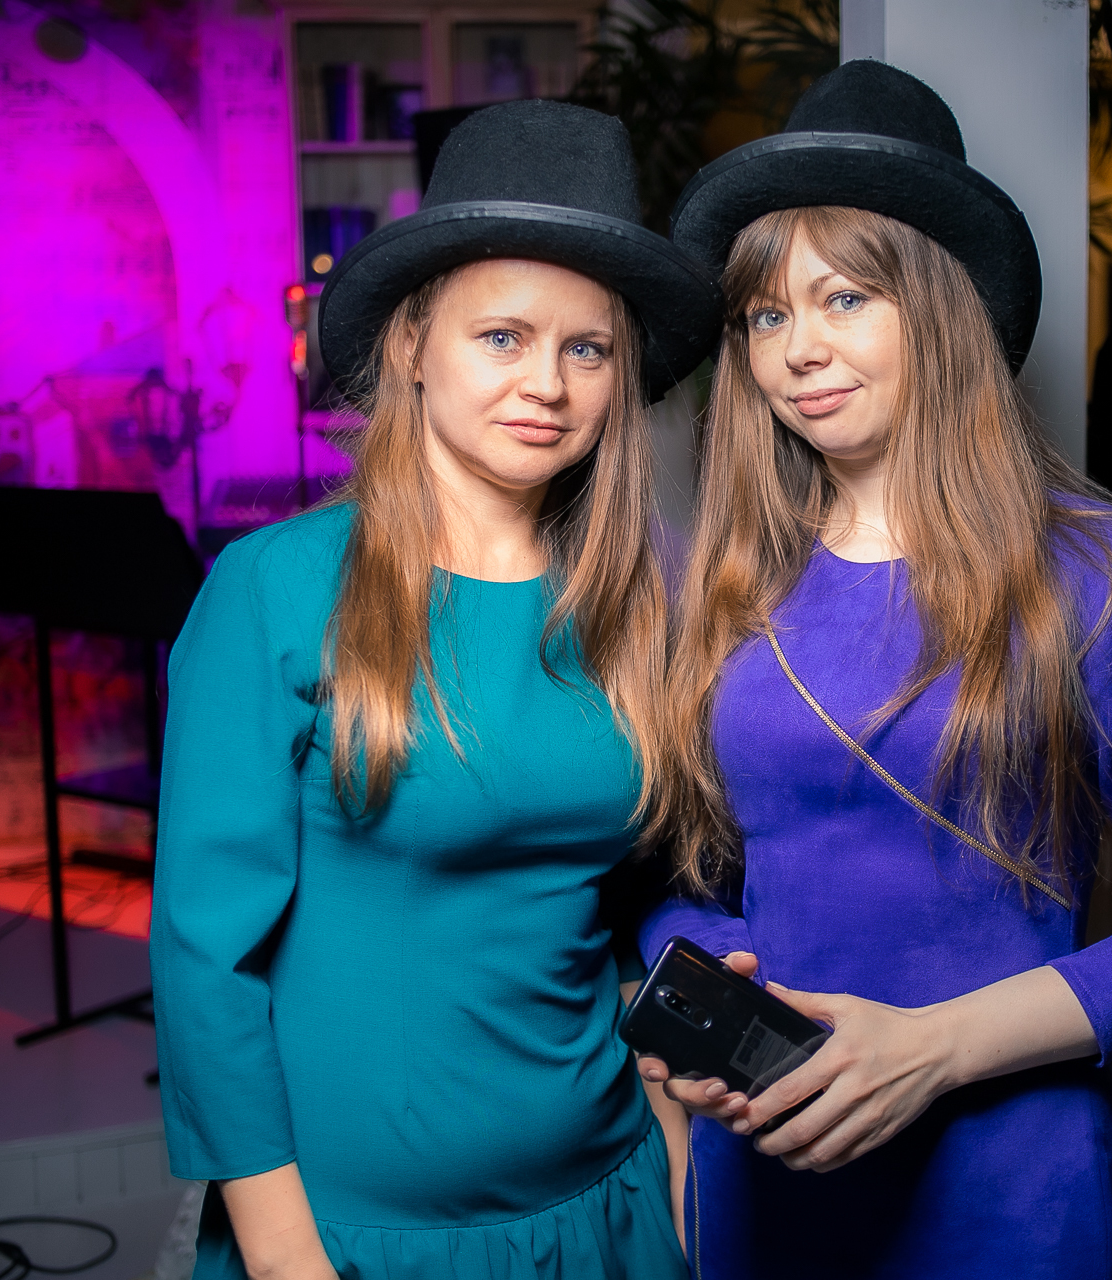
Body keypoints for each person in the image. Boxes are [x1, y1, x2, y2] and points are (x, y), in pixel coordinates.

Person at [636, 62, 1112, 1278]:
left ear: (940, 308)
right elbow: (685, 879)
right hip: (766, 1170)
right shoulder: (721, 581)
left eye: (844, 298)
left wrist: (934, 1047)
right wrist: (705, 991)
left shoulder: (1098, 569)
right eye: (765, 316)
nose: (798, 350)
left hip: (1008, 1182)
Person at [151, 99, 720, 1280]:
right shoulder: (274, 590)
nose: (547, 383)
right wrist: (284, 1256)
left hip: (610, 1201)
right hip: (351, 1237)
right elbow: (205, 959)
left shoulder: (636, 603)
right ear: (413, 343)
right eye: (503, 336)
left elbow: (630, 913)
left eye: (587, 348)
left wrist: (676, 1155)